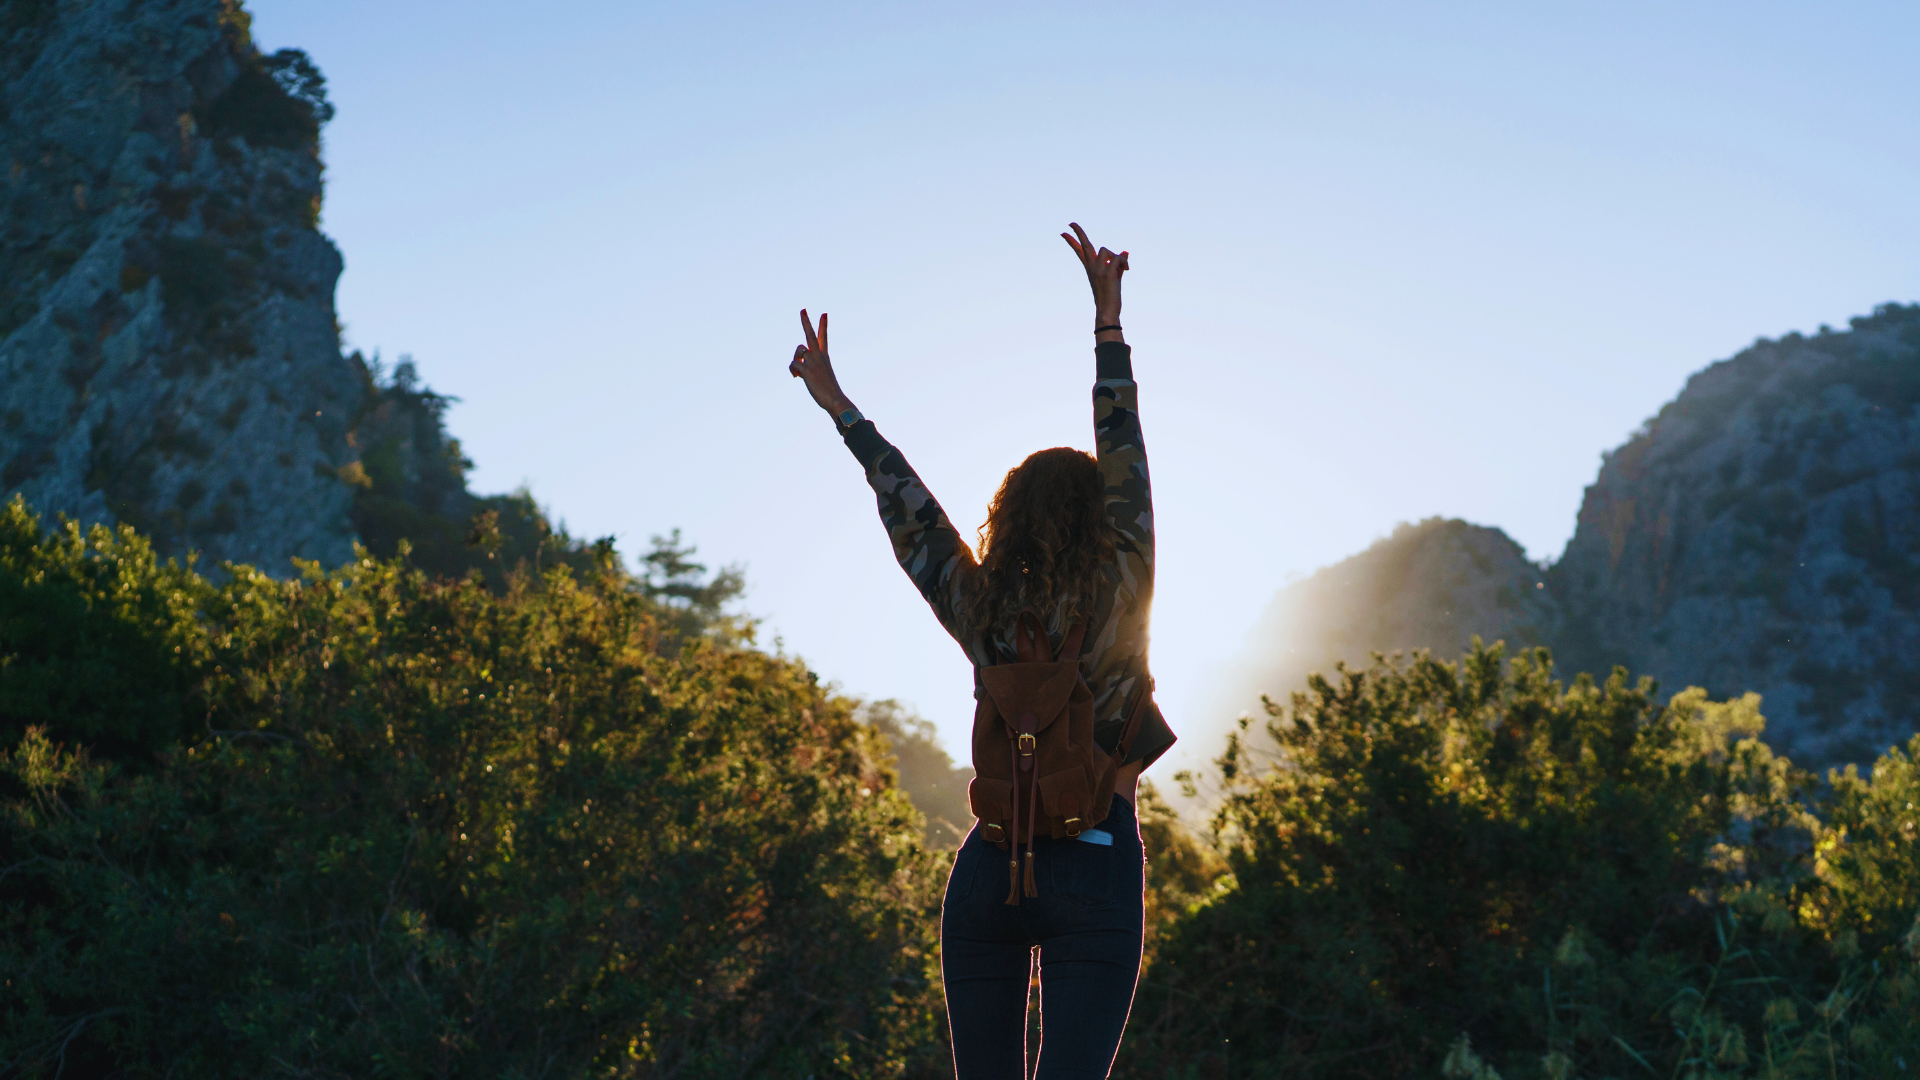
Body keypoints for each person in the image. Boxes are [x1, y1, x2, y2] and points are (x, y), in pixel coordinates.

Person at [787, 223, 1176, 1079]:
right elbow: (1127, 454)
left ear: (1012, 518)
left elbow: (911, 511)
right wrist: (1108, 322)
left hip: (986, 872)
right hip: (1097, 863)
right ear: (1098, 514)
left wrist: (841, 408)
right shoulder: (1122, 579)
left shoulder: (981, 604)